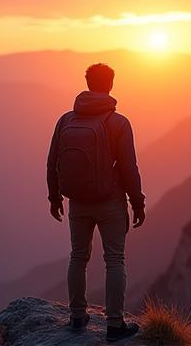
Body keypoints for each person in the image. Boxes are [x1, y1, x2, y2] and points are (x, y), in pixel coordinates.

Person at [47, 63, 146, 342]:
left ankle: (77, 316)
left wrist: (54, 197)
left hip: (77, 201)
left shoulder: (66, 120)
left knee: (78, 257)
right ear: (111, 85)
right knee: (114, 259)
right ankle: (115, 325)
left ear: (87, 83)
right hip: (110, 201)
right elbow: (129, 168)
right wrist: (137, 203)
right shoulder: (119, 122)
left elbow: (52, 161)